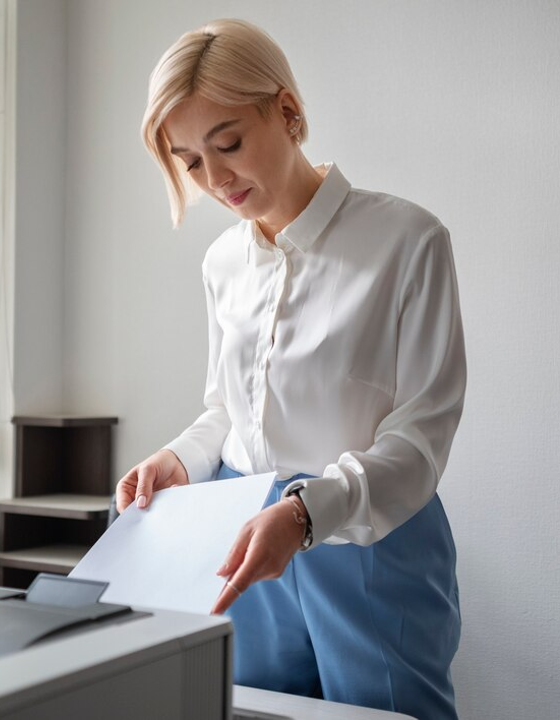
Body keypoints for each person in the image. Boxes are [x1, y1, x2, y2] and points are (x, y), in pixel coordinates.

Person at [116, 18, 466, 720]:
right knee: (255, 712)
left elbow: (420, 438)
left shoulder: (409, 241)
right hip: (245, 539)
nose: (215, 179)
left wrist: (306, 513)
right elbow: (226, 410)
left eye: (229, 144)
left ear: (287, 111)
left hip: (372, 545)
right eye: (189, 162)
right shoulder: (222, 265)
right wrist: (178, 460)